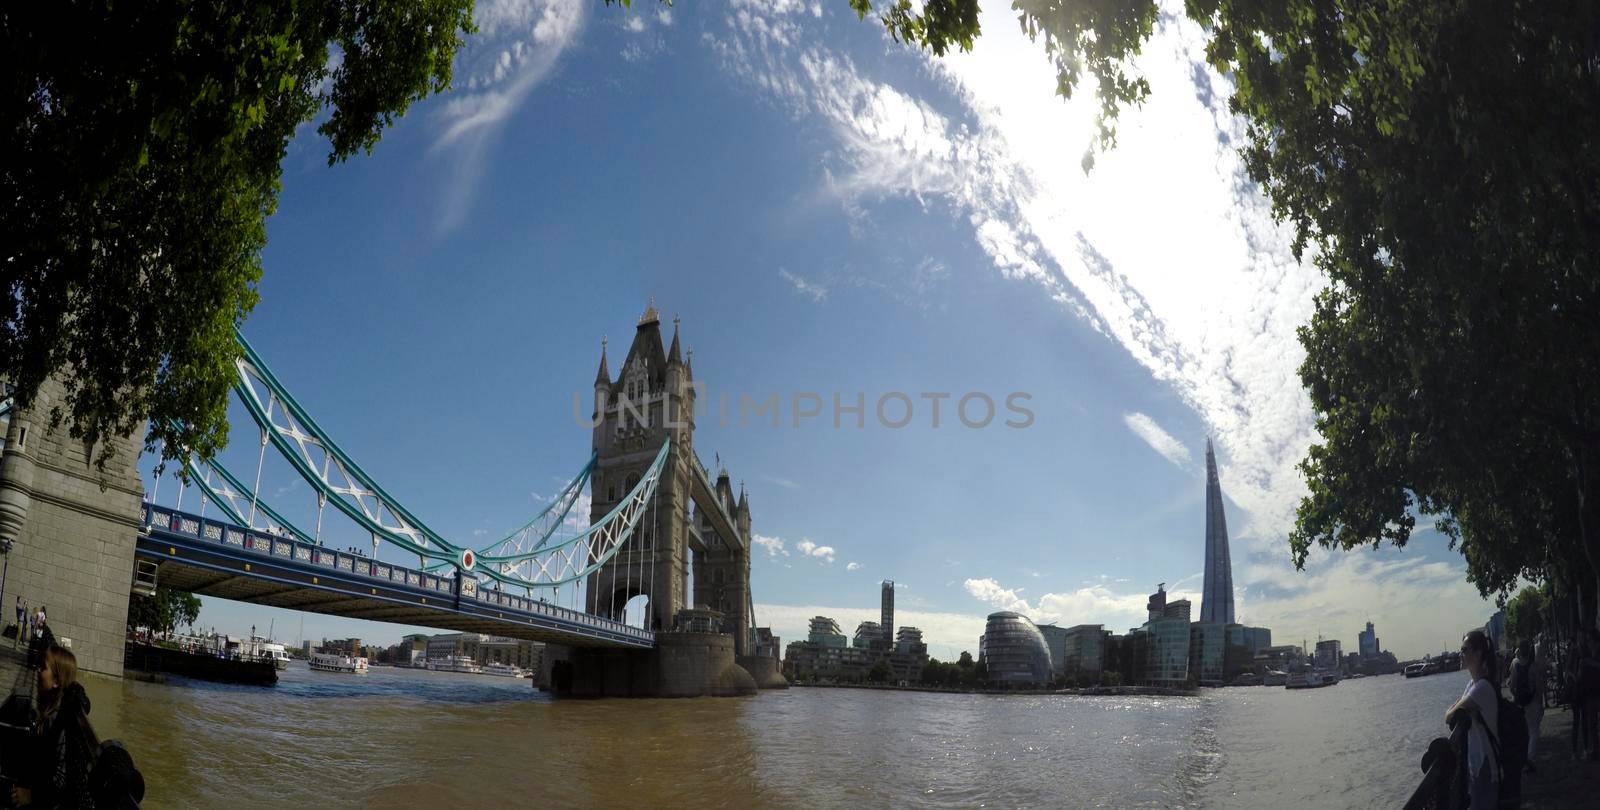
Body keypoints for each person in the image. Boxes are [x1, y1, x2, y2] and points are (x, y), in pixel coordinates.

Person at [11, 645, 99, 808]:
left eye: (43, 667)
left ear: (56, 681)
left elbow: (61, 778)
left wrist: (31, 795)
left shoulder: (57, 720)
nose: (38, 671)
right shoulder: (49, 714)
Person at [1447, 629, 1500, 808]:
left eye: (1464, 649)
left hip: (1485, 765)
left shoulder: (1482, 688)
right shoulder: (1472, 685)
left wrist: (1454, 707)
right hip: (1476, 765)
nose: (1460, 653)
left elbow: (1450, 716)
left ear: (1477, 654)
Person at [1511, 640, 1544, 772]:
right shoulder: (1533, 665)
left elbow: (1512, 686)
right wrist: (1541, 703)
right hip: (1533, 701)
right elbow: (1538, 686)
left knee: (1523, 732)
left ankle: (1523, 758)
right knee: (1534, 731)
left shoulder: (1515, 665)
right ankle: (1530, 758)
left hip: (1519, 703)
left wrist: (1516, 697)